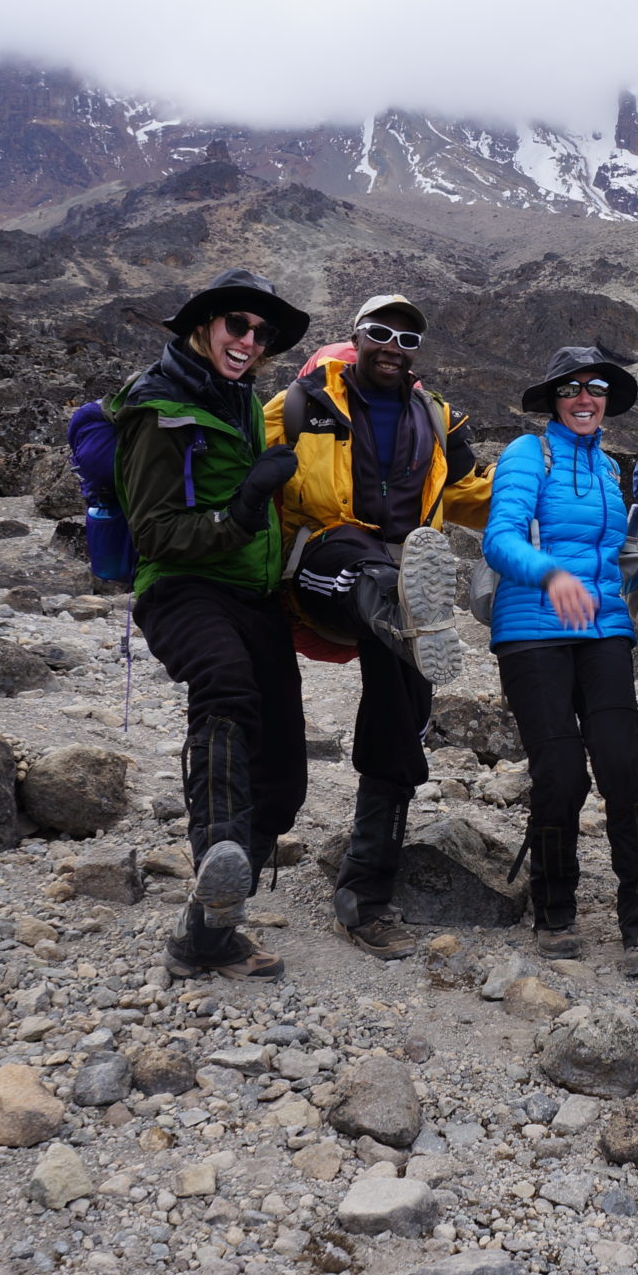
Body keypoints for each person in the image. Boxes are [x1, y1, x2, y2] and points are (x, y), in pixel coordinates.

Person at [264, 295, 492, 960]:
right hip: (322, 567)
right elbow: (232, 456)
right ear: (356, 338)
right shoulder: (304, 403)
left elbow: (476, 489)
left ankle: (365, 894)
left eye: (408, 336)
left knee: (401, 720)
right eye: (380, 332)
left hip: (403, 580)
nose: (394, 344)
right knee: (374, 582)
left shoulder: (436, 417)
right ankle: (405, 606)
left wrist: (553, 501)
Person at [115, 268, 311, 981]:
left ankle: (209, 928)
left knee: (285, 775)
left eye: (260, 334)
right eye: (237, 325)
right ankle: (219, 849)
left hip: (253, 596)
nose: (250, 341)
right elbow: (156, 532)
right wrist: (241, 510)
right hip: (182, 588)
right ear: (203, 328)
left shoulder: (242, 402)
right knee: (224, 687)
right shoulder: (155, 406)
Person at [484, 346, 638, 976]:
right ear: (555, 400)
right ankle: (554, 910)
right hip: (531, 631)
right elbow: (500, 540)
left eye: (595, 388)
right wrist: (551, 574)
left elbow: (619, 552)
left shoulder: (612, 473)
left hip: (605, 630)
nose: (585, 398)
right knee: (560, 770)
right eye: (572, 389)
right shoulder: (525, 454)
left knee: (626, 765)